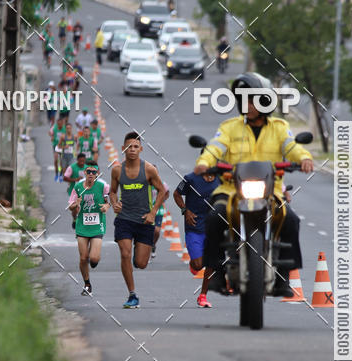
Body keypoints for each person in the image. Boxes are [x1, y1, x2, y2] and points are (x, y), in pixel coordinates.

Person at [194, 73, 313, 297]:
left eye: (252, 99)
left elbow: (292, 147)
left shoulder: (279, 127)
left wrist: (304, 158)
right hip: (231, 191)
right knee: (213, 218)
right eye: (243, 100)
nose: (247, 105)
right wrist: (203, 163)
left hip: (271, 191)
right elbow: (215, 147)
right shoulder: (229, 127)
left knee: (291, 221)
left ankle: (283, 278)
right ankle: (216, 274)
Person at [110, 131, 167, 309]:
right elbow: (112, 191)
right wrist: (114, 203)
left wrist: (153, 213)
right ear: (123, 149)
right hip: (125, 219)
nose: (132, 150)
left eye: (135, 146)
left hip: (144, 221)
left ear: (141, 149)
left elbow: (162, 191)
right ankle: (132, 294)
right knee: (125, 253)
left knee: (141, 263)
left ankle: (139, 256)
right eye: (129, 147)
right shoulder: (117, 170)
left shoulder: (149, 169)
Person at [173, 169, 219, 307]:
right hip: (195, 227)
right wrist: (185, 210)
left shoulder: (222, 179)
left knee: (211, 262)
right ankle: (194, 262)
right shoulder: (191, 179)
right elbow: (176, 194)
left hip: (214, 227)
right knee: (198, 265)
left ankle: (203, 295)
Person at [68, 161, 111, 296]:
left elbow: (110, 201)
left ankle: (93, 262)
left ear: (97, 173)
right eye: (89, 172)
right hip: (82, 226)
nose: (91, 174)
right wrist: (76, 204)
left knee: (93, 259)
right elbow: (70, 206)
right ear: (84, 173)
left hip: (97, 225)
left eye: (94, 172)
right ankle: (87, 284)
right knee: (83, 258)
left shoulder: (103, 186)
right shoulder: (78, 187)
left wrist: (106, 207)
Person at [50, 114, 66, 180]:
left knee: (61, 161)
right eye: (58, 124)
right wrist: (52, 136)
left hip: (62, 146)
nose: (59, 125)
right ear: (57, 123)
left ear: (62, 123)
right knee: (56, 160)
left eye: (60, 124)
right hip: (56, 146)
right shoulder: (54, 127)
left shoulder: (65, 129)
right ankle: (56, 174)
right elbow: (50, 132)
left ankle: (61, 174)